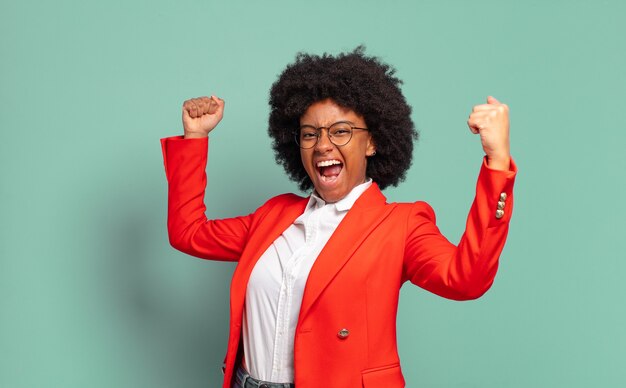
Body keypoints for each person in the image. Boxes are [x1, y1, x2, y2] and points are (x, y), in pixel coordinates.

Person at [160, 47, 516, 388]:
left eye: (341, 131)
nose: (322, 145)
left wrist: (497, 161)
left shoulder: (401, 226)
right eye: (310, 134)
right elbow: (188, 232)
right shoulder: (274, 215)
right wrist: (195, 137)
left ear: (372, 142)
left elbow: (466, 279)